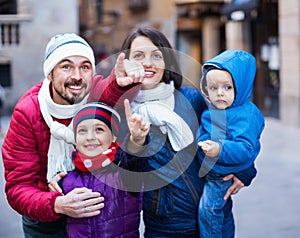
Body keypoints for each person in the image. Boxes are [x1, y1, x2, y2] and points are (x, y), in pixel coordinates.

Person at [119, 26, 257, 237]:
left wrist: (244, 171)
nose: (148, 63)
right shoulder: (123, 110)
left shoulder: (192, 99)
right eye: (138, 55)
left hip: (214, 217)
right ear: (127, 62)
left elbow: (237, 129)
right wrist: (136, 142)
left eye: (156, 55)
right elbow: (129, 182)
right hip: (166, 226)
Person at [1, 33, 144, 237]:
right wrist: (58, 204)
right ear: (50, 74)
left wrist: (123, 82)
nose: (77, 76)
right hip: (47, 220)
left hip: (95, 214)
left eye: (85, 67)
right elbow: (18, 187)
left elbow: (110, 91)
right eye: (66, 66)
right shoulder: (28, 112)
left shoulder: (93, 94)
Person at [52, 101, 149, 238]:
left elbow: (136, 160)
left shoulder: (125, 174)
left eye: (99, 129)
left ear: (113, 136)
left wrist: (137, 141)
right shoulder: (65, 180)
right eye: (82, 131)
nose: (90, 137)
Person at [197, 50, 265, 238]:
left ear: (240, 87)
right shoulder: (213, 109)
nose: (219, 94)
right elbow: (204, 128)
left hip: (222, 175)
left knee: (209, 211)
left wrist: (220, 149)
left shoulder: (245, 115)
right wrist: (202, 142)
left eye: (227, 88)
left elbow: (246, 148)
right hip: (210, 170)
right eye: (213, 88)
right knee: (218, 214)